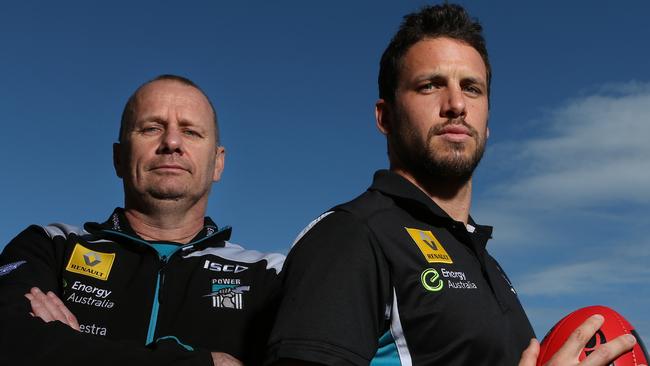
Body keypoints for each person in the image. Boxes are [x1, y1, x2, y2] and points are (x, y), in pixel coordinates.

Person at [265, 4, 639, 366]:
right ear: (386, 117)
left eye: (472, 89)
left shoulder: (485, 261)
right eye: (430, 85)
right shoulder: (352, 235)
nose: (457, 104)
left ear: (487, 122)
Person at [0, 75, 284, 366]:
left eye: (191, 132)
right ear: (119, 157)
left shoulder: (272, 275)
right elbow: (10, 343)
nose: (172, 142)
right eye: (151, 128)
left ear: (218, 162)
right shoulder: (50, 246)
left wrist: (69, 349)